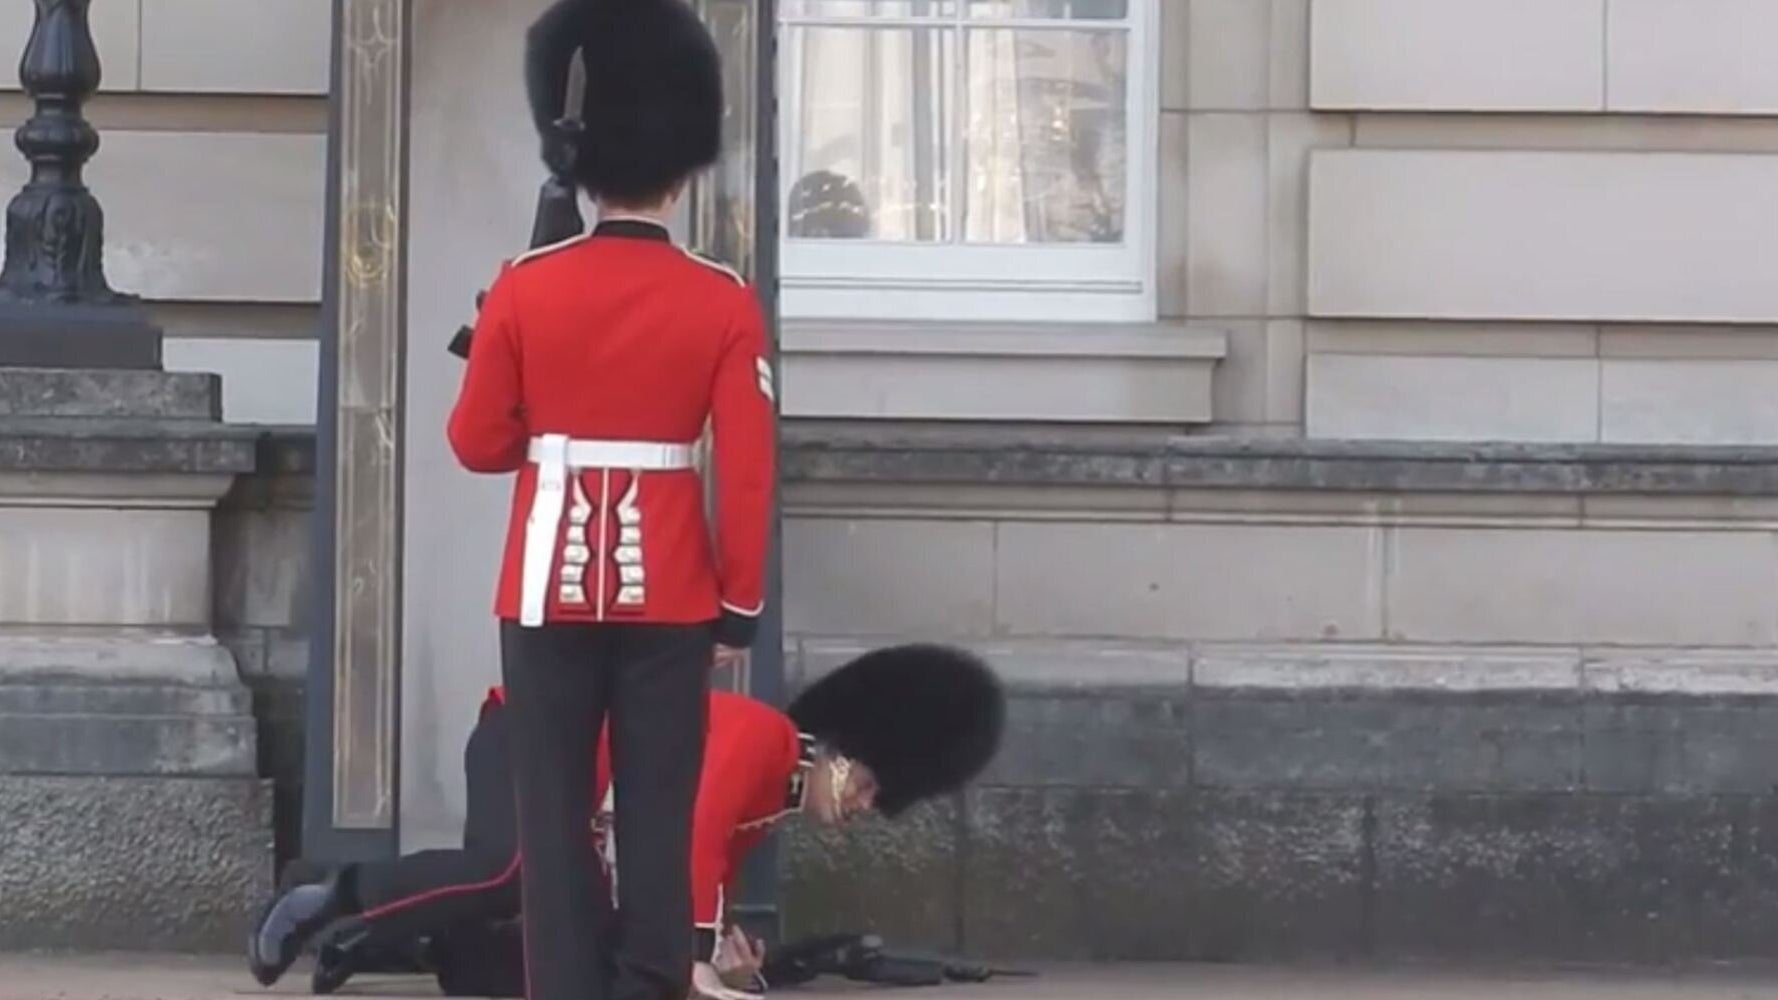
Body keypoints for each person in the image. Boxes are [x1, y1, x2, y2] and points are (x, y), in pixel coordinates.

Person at [440, 0, 774, 997]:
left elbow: (474, 444)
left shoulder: (526, 288)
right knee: (658, 817)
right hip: (670, 592)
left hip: (543, 588)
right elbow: (748, 469)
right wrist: (737, 607)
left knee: (551, 825)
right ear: (680, 169)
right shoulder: (720, 298)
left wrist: (498, 337)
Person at [244, 644, 1006, 999]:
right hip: (533, 735)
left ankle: (389, 939)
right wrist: (697, 955)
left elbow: (694, 878)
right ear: (841, 752)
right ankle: (324, 895)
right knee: (518, 870)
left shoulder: (772, 798)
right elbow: (695, 831)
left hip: (573, 781)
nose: (864, 809)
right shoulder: (764, 737)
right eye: (871, 787)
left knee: (577, 955)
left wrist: (730, 960)